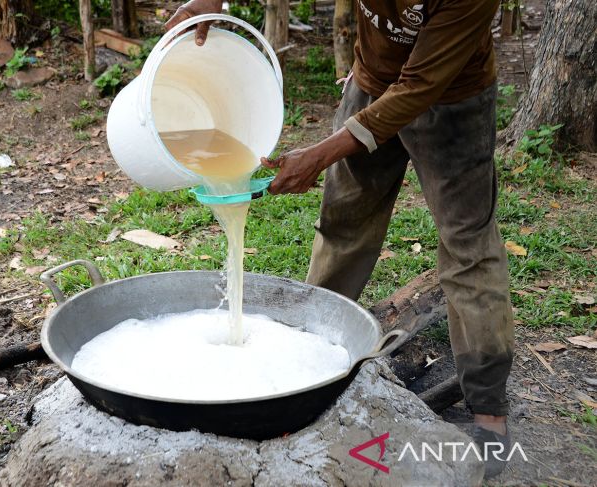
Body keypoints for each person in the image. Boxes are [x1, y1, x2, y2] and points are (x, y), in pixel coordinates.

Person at [167, 0, 514, 478]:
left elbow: (418, 88)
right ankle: (307, 367)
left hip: (451, 101)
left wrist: (321, 153)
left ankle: (488, 414)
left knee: (468, 249)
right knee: (343, 227)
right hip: (371, 84)